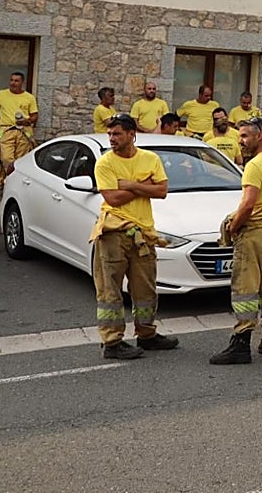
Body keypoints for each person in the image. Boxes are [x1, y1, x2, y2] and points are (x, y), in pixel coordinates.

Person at [89, 114, 179, 359]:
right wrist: (143, 185)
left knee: (145, 289)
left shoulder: (150, 158)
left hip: (143, 234)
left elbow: (161, 191)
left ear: (131, 135)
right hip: (113, 233)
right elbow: (113, 199)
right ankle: (112, 342)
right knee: (110, 291)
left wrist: (129, 184)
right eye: (110, 134)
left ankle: (146, 335)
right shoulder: (104, 163)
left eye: (117, 134)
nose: (112, 139)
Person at [210, 117, 262, 365]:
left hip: (254, 232)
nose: (241, 141)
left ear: (261, 136)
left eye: (245, 136)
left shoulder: (254, 166)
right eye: (240, 136)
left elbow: (247, 204)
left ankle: (241, 344)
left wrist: (234, 227)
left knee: (244, 288)